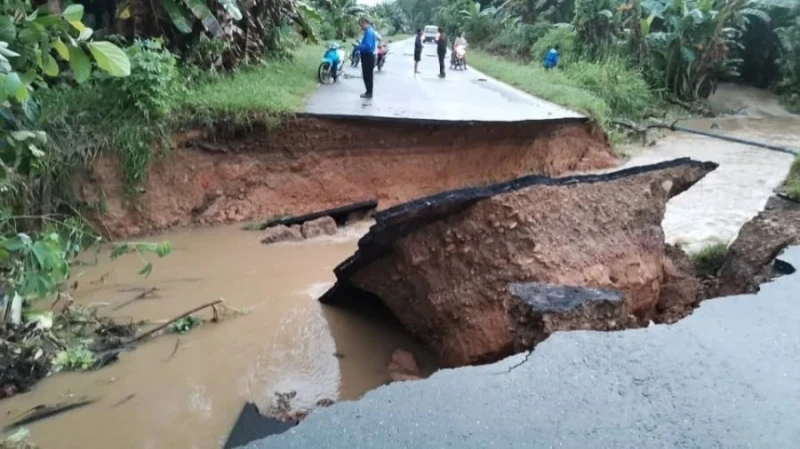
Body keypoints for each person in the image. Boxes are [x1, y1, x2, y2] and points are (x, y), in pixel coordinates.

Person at [357, 17, 376, 98]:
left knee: (367, 75)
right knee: (367, 75)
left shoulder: (369, 32)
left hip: (368, 55)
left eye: (361, 25)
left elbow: (367, 46)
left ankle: (369, 93)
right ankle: (368, 92)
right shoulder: (369, 31)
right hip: (367, 55)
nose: (361, 27)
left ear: (365, 23)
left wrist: (358, 47)